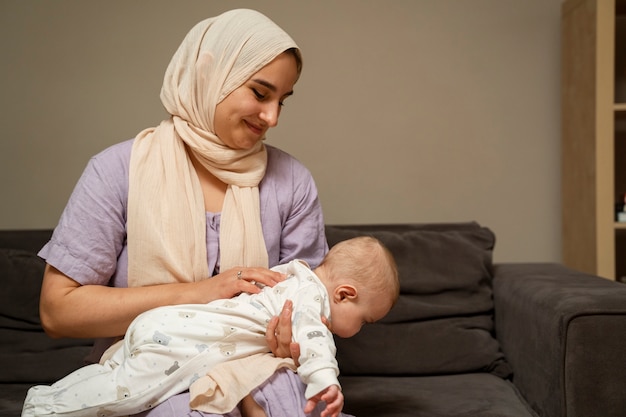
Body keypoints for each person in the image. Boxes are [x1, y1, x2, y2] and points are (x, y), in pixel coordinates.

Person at [33, 8, 345, 417]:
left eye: (282, 101)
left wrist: (292, 339)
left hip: (260, 375)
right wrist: (200, 293)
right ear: (207, 73)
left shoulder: (293, 183)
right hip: (147, 375)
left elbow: (312, 307)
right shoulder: (118, 171)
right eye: (260, 92)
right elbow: (58, 311)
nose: (272, 117)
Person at [23, 236, 400, 417]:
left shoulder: (290, 275)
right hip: (179, 342)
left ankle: (55, 393)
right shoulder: (310, 298)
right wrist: (325, 381)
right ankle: (44, 409)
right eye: (365, 319)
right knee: (126, 394)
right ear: (345, 294)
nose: (360, 329)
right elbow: (315, 341)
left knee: (112, 374)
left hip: (165, 321)